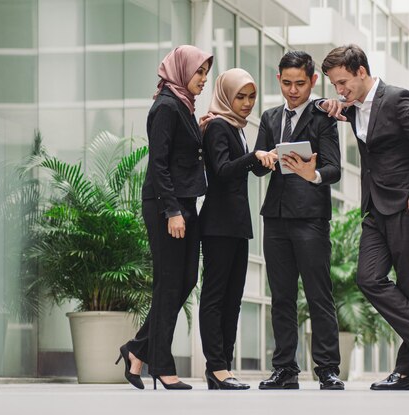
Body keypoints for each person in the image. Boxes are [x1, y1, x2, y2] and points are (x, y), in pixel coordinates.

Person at [318, 44, 409, 391]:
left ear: (361, 71)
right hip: (375, 208)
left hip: (408, 206)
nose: (339, 89)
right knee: (368, 277)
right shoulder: (352, 107)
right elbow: (324, 107)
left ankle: (408, 372)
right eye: (335, 84)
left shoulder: (396, 98)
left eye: (343, 82)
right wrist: (328, 104)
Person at [116, 45, 213, 390]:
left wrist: (198, 130)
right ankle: (161, 361)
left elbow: (179, 154)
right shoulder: (168, 106)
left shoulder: (183, 106)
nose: (203, 79)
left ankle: (138, 350)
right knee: (170, 282)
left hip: (183, 203)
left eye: (205, 73)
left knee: (184, 280)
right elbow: (158, 163)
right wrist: (171, 210)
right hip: (165, 206)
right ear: (182, 70)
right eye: (199, 72)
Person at [254, 51, 344, 391]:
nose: (294, 91)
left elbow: (334, 168)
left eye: (301, 84)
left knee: (319, 294)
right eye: (287, 83)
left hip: (310, 217)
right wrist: (260, 159)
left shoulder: (323, 118)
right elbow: (258, 166)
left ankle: (327, 369)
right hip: (275, 217)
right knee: (281, 296)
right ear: (278, 79)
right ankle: (285, 369)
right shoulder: (270, 116)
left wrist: (313, 173)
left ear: (313, 81)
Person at [198, 68, 277, 390]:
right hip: (218, 224)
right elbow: (221, 170)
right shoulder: (217, 126)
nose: (246, 103)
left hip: (235, 224)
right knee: (216, 297)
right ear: (226, 97)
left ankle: (224, 367)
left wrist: (263, 160)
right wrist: (251, 157)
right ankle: (216, 367)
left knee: (232, 299)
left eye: (251, 97)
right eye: (239, 97)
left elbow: (239, 167)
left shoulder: (235, 127)